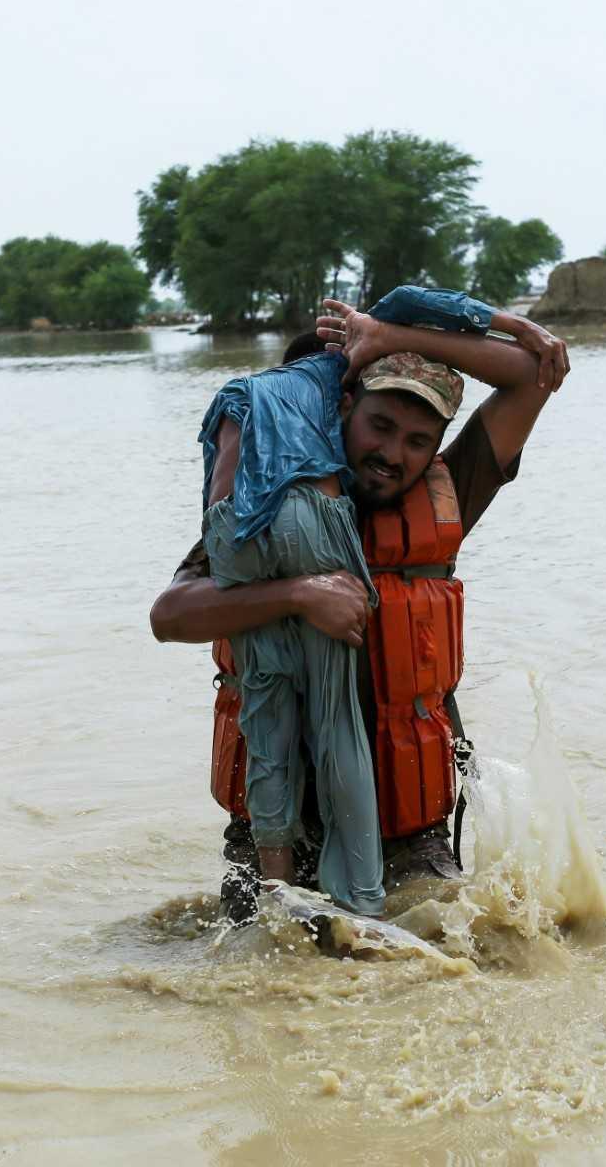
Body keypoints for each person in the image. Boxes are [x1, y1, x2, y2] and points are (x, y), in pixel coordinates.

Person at [151, 286, 571, 921]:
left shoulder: (450, 491)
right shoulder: (272, 507)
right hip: (278, 831)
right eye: (379, 427)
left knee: (432, 973)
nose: (392, 455)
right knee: (265, 958)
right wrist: (297, 592)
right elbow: (170, 616)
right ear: (343, 407)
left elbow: (532, 376)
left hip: (410, 833)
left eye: (416, 440)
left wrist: (392, 336)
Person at [196, 338, 391, 916]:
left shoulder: (238, 396)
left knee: (267, 722)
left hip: (232, 531)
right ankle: (364, 904)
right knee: (338, 727)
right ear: (346, 392)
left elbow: (215, 502)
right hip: (306, 518)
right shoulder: (334, 375)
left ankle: (278, 892)